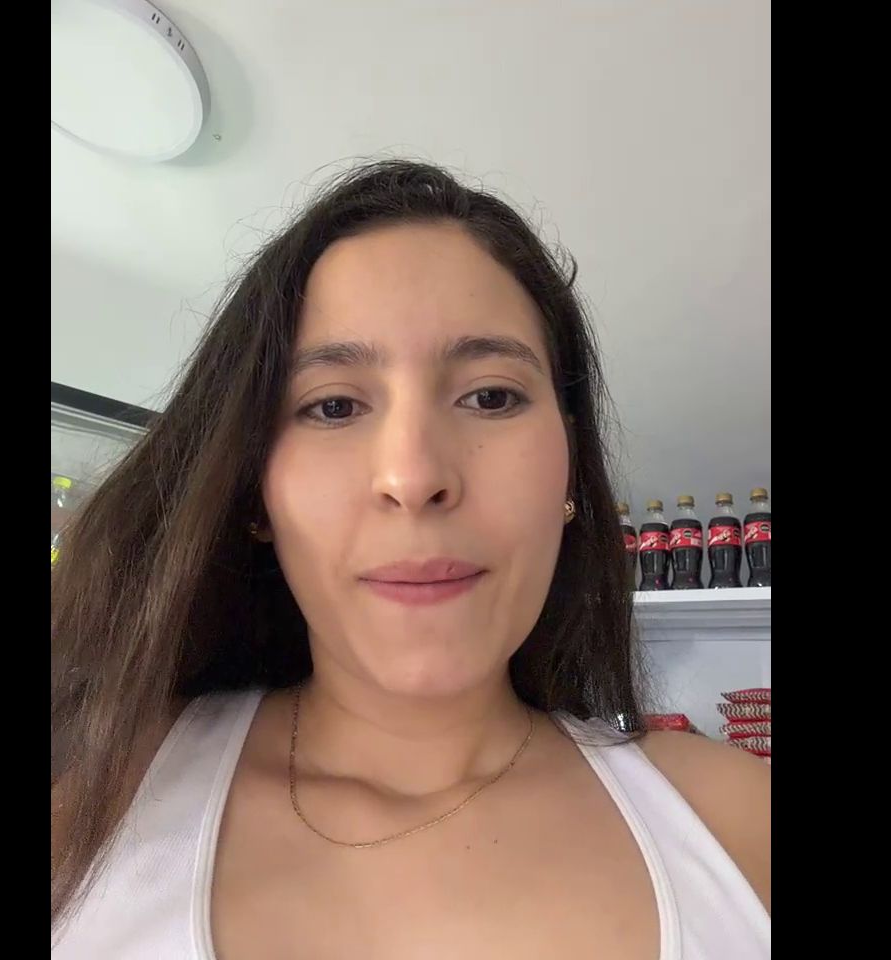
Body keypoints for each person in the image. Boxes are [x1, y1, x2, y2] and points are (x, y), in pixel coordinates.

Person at [51, 160, 770, 959]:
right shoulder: (92, 805)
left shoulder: (740, 826)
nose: (414, 475)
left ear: (570, 470)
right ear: (254, 492)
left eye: (491, 396)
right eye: (333, 405)